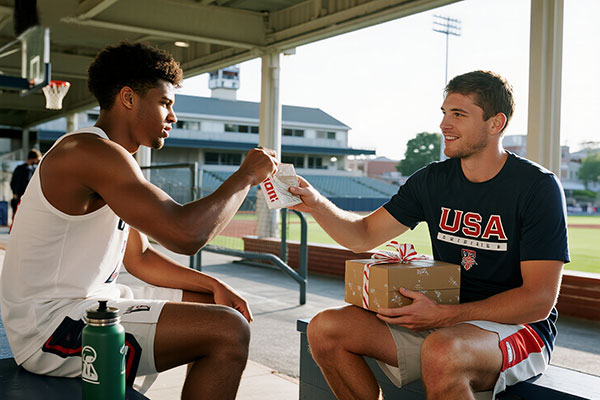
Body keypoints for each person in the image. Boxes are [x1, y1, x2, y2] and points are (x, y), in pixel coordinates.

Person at [0, 41, 278, 400]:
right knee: (229, 330)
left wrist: (211, 284)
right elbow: (185, 234)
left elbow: (139, 257)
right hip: (50, 329)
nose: (173, 117)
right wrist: (245, 177)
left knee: (211, 304)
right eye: (165, 103)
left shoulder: (112, 159)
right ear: (128, 98)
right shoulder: (88, 152)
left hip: (84, 307)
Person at [289, 71, 569, 399]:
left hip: (518, 328)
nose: (444, 125)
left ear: (496, 123)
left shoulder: (537, 186)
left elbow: (538, 300)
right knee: (326, 329)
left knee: (442, 351)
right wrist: (318, 204)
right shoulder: (433, 180)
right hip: (444, 320)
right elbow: (362, 235)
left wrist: (447, 315)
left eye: (459, 115)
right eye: (444, 113)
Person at [9, 148, 41, 219]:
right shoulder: (20, 169)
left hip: (29, 198)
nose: (38, 161)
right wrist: (15, 194)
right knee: (17, 217)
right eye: (37, 159)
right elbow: (14, 182)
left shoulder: (33, 170)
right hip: (19, 197)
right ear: (33, 158)